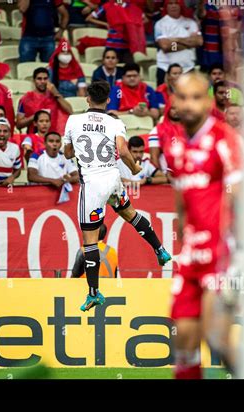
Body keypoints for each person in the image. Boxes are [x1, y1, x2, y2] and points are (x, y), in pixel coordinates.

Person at [63, 80, 172, 311]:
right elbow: (123, 151)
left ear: (87, 99)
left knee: (90, 241)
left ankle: (93, 293)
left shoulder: (74, 121)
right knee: (130, 214)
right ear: (108, 100)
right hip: (112, 180)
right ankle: (159, 249)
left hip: (92, 184)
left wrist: (75, 149)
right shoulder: (115, 122)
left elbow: (68, 151)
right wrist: (133, 169)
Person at [170, 72, 244, 379]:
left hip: (220, 256)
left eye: (197, 97)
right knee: (184, 344)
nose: (189, 104)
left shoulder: (225, 140)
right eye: (183, 97)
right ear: (173, 100)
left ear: (210, 101)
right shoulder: (175, 147)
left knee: (217, 338)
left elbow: (242, 199)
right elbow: (180, 203)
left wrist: (239, 256)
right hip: (190, 258)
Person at [154, 0, 202, 86]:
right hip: (166, 68)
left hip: (188, 68)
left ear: (181, 6)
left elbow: (199, 42)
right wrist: (188, 44)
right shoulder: (160, 24)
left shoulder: (191, 23)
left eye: (176, 3)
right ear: (166, 6)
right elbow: (165, 47)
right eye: (170, 3)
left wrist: (177, 40)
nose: (173, 6)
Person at [86, 0, 145, 64]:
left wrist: (132, 26)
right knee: (107, 68)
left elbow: (143, 19)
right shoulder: (107, 6)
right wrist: (106, 24)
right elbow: (89, 18)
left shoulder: (131, 7)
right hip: (111, 45)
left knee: (130, 68)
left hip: (126, 46)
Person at [16, 67, 73, 134]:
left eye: (45, 79)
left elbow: (70, 111)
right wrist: (36, 116)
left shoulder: (54, 96)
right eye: (39, 79)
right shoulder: (25, 99)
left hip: (53, 137)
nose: (42, 81)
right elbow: (19, 125)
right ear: (34, 80)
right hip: (34, 137)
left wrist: (56, 94)